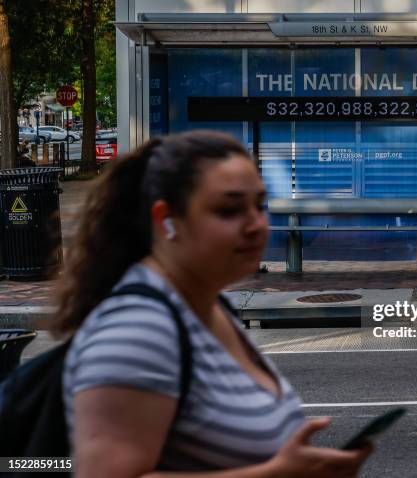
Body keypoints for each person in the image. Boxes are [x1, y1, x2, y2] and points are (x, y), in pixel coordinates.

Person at [54, 131, 372, 477]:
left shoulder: (211, 306)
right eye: (229, 209)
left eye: (259, 205)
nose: (256, 225)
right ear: (165, 220)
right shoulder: (136, 330)